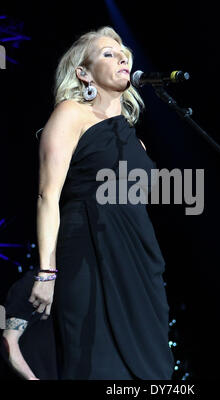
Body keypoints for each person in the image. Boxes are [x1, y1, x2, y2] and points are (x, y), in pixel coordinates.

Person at [27, 25, 175, 380]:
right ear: (84, 73)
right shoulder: (71, 114)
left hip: (137, 258)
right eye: (108, 53)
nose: (122, 57)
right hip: (87, 251)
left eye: (124, 53)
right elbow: (47, 195)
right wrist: (47, 271)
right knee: (97, 362)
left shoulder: (133, 141)